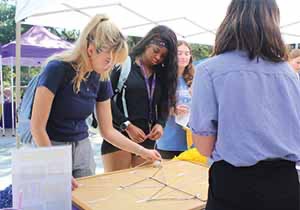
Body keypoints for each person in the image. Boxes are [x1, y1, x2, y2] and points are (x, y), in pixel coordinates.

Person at [189, 0, 300, 210]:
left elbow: (203, 146)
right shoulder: (289, 74)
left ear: (230, 20)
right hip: (285, 184)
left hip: (234, 185)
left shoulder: (209, 70)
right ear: (273, 24)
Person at [30, 14, 161, 190]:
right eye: (108, 60)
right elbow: (37, 127)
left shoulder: (101, 78)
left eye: (114, 62)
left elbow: (108, 131)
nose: (110, 66)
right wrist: (56, 167)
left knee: (87, 200)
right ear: (90, 49)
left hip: (83, 149)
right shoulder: (57, 69)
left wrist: (143, 152)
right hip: (50, 147)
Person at [101, 25, 178, 172]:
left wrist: (161, 124)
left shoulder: (162, 73)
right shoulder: (123, 64)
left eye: (163, 56)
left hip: (146, 139)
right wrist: (127, 125)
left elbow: (164, 102)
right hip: (119, 135)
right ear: (147, 43)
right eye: (156, 51)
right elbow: (105, 99)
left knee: (142, 191)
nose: (157, 57)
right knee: (117, 189)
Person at [156, 40, 195, 159]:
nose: (184, 56)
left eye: (187, 53)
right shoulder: (163, 77)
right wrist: (172, 110)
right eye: (179, 53)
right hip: (168, 141)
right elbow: (154, 105)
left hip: (190, 140)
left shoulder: (194, 78)